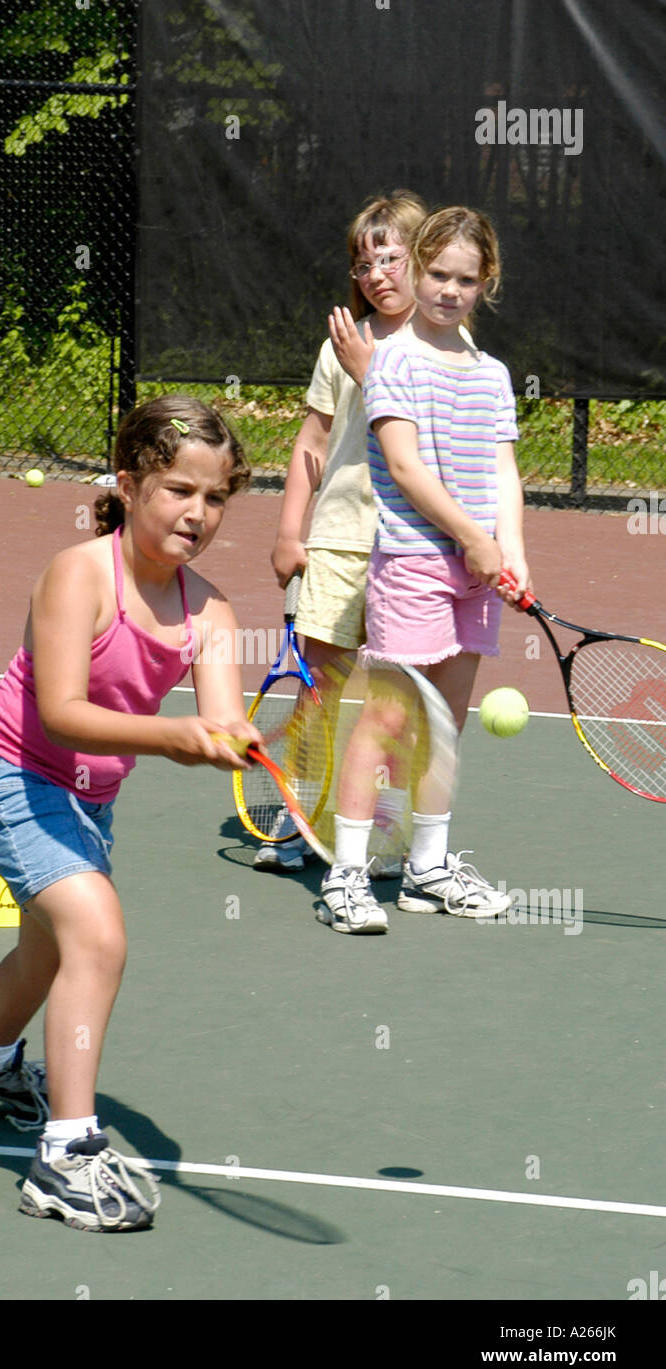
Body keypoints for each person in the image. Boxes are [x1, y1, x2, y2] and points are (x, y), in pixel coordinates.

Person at [0, 395, 258, 1232]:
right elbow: (61, 713)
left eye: (217, 496)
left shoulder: (213, 612)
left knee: (46, 953)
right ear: (128, 482)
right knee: (99, 934)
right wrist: (171, 736)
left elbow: (221, 718)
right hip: (9, 772)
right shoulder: (79, 573)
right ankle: (67, 1154)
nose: (199, 512)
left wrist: (234, 739)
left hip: (87, 799)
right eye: (179, 489)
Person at [318, 206, 529, 933]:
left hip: (477, 572)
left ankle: (427, 871)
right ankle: (346, 877)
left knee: (444, 723)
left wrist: (514, 554)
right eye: (436, 273)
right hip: (414, 563)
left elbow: (504, 472)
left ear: (486, 282)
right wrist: (474, 537)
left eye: (464, 279)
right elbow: (404, 467)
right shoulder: (393, 361)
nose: (448, 289)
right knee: (385, 720)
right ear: (414, 271)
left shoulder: (494, 374)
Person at [257, 190, 427, 873]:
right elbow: (313, 439)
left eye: (391, 258)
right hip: (335, 542)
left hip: (411, 547)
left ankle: (376, 827)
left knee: (393, 701)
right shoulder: (341, 345)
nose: (376, 275)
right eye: (363, 263)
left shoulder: (446, 351)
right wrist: (288, 531)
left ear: (424, 260)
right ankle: (301, 817)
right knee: (318, 690)